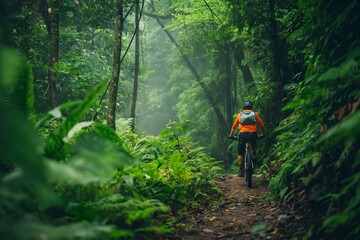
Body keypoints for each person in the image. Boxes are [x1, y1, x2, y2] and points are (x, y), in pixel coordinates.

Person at [229, 101, 265, 177]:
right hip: (252, 134)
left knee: (240, 153)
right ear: (251, 107)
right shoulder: (255, 114)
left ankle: (241, 170)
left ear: (243, 107)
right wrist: (263, 133)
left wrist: (231, 135)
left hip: (242, 135)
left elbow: (234, 126)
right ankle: (254, 155)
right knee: (254, 143)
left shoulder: (239, 115)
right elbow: (261, 125)